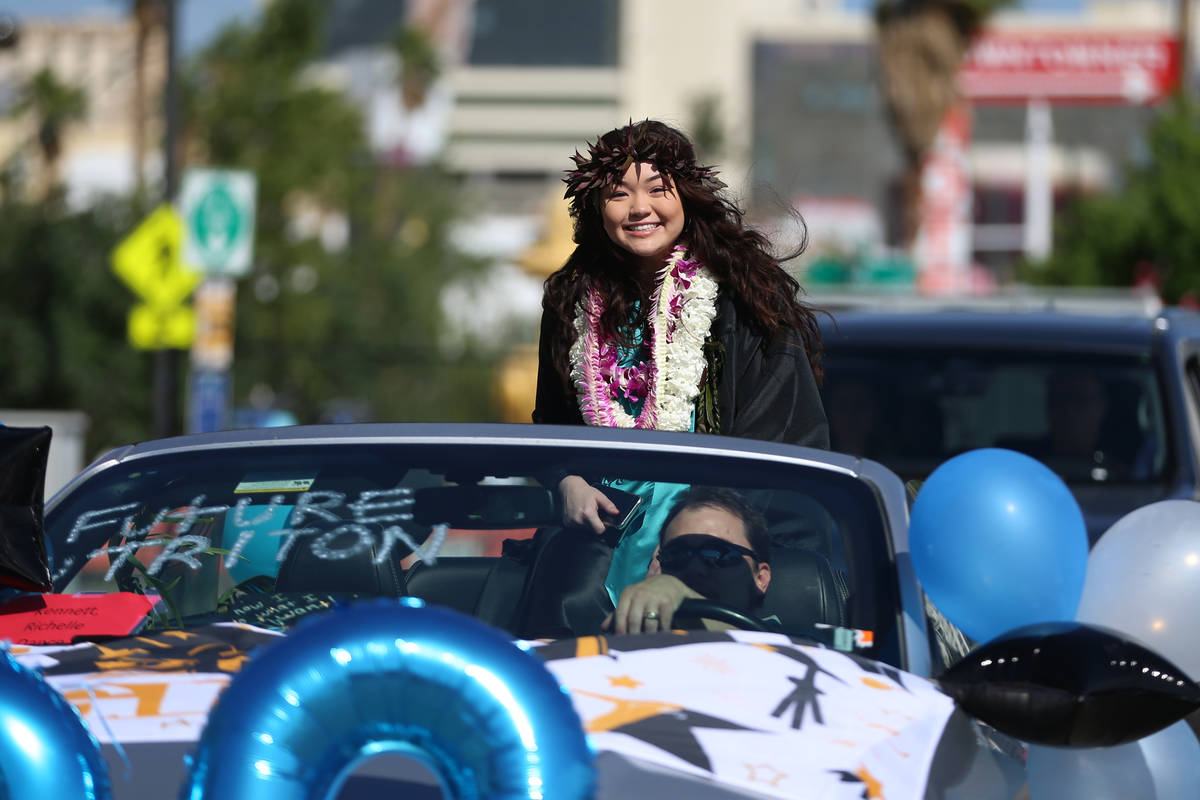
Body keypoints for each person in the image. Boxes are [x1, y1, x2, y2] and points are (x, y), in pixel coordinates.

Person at [527, 120, 828, 622]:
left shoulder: (744, 299)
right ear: (596, 209)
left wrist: (689, 556)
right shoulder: (570, 302)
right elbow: (550, 425)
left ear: (686, 196)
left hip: (722, 556)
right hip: (598, 555)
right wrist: (567, 481)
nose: (639, 208)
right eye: (618, 193)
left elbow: (779, 446)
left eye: (657, 189)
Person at [604, 486, 772, 634]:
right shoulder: (631, 648)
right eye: (678, 555)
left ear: (761, 578)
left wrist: (684, 595)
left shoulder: (790, 645)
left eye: (717, 553)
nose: (694, 568)